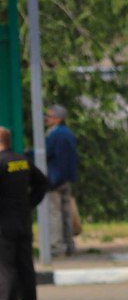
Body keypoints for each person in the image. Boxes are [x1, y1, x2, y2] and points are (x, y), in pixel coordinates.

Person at [0, 124, 49, 300]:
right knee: (25, 265)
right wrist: (30, 203)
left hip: (4, 223)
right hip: (23, 220)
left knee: (6, 266)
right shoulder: (22, 161)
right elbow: (43, 182)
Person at [43, 104, 79, 255]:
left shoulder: (55, 134)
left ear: (57, 119)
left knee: (54, 213)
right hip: (66, 179)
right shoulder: (68, 133)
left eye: (49, 116)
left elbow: (45, 152)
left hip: (54, 179)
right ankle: (69, 245)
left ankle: (56, 247)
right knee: (66, 214)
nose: (46, 118)